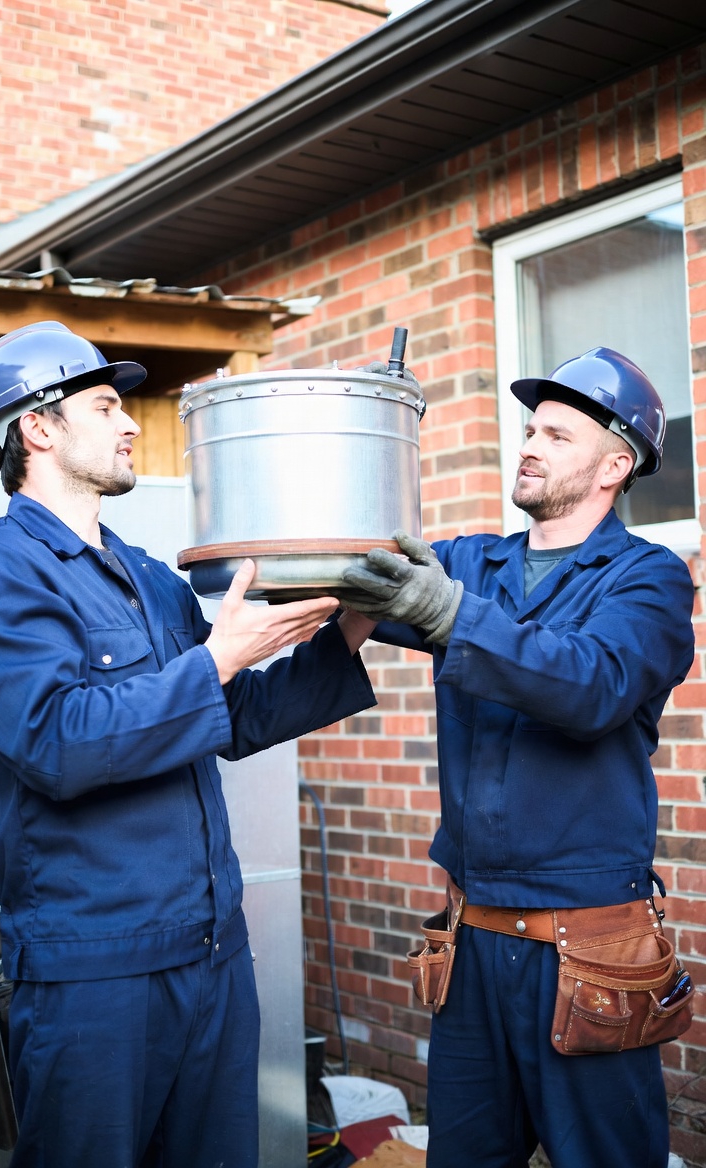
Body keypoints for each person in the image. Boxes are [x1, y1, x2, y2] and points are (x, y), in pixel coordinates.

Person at [0, 320, 377, 1168]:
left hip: (211, 956)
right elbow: (56, 743)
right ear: (39, 428)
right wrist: (214, 659)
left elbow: (230, 715)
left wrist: (351, 624)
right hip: (95, 977)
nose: (132, 423)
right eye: (105, 405)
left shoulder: (147, 577)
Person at [339, 347, 696, 1168]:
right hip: (470, 948)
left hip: (590, 955)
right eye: (529, 429)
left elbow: (593, 686)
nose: (529, 445)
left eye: (557, 435)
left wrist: (450, 615)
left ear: (615, 465)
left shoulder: (648, 581)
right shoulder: (474, 565)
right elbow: (346, 563)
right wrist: (364, 430)